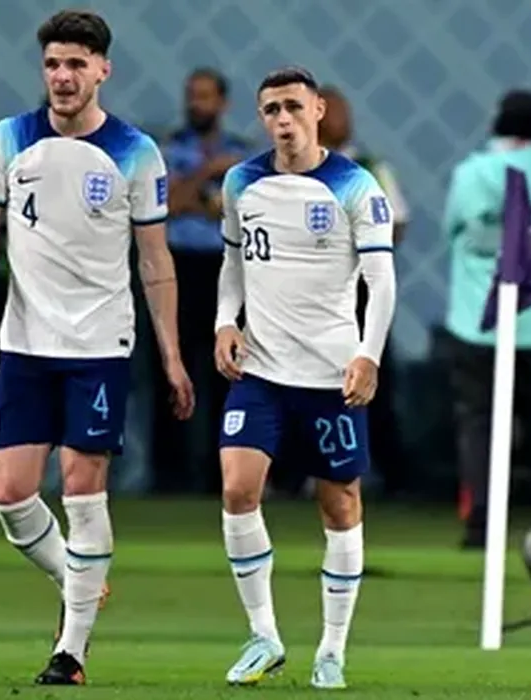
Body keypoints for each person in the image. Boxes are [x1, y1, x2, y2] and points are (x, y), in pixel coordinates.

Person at [0, 9, 194, 686]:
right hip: (24, 344)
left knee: (83, 488)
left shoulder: (134, 152)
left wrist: (171, 353)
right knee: (9, 493)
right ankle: (80, 578)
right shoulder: (11, 138)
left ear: (103, 70)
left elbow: (155, 260)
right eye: (53, 63)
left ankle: (71, 652)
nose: (62, 76)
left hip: (99, 345)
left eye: (76, 64)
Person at [213, 67, 396, 691]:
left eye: (293, 106)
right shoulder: (242, 181)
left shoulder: (355, 186)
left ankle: (332, 649)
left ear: (318, 109)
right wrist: (224, 321)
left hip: (329, 374)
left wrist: (368, 355)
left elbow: (380, 281)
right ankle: (263, 635)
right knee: (238, 488)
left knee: (339, 503)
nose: (283, 119)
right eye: (271, 110)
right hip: (261, 368)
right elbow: (234, 261)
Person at [443, 89, 531, 549]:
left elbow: (451, 229)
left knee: (478, 426)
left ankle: (480, 523)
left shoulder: (470, 174)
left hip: (476, 321)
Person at [154, 67, 251, 494]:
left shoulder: (243, 154)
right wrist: (208, 172)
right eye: (192, 95)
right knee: (171, 367)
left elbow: (243, 213)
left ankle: (221, 472)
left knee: (226, 370)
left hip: (225, 268)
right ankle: (170, 474)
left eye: (206, 96)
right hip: (177, 267)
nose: (197, 104)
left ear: (223, 103)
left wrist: (200, 200)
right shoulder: (168, 149)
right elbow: (166, 204)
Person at [318, 84, 410, 495]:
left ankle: (389, 471)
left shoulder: (371, 169)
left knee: (373, 375)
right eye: (334, 113)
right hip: (308, 290)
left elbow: (398, 222)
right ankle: (296, 472)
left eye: (345, 113)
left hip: (360, 289)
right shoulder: (292, 169)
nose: (343, 121)